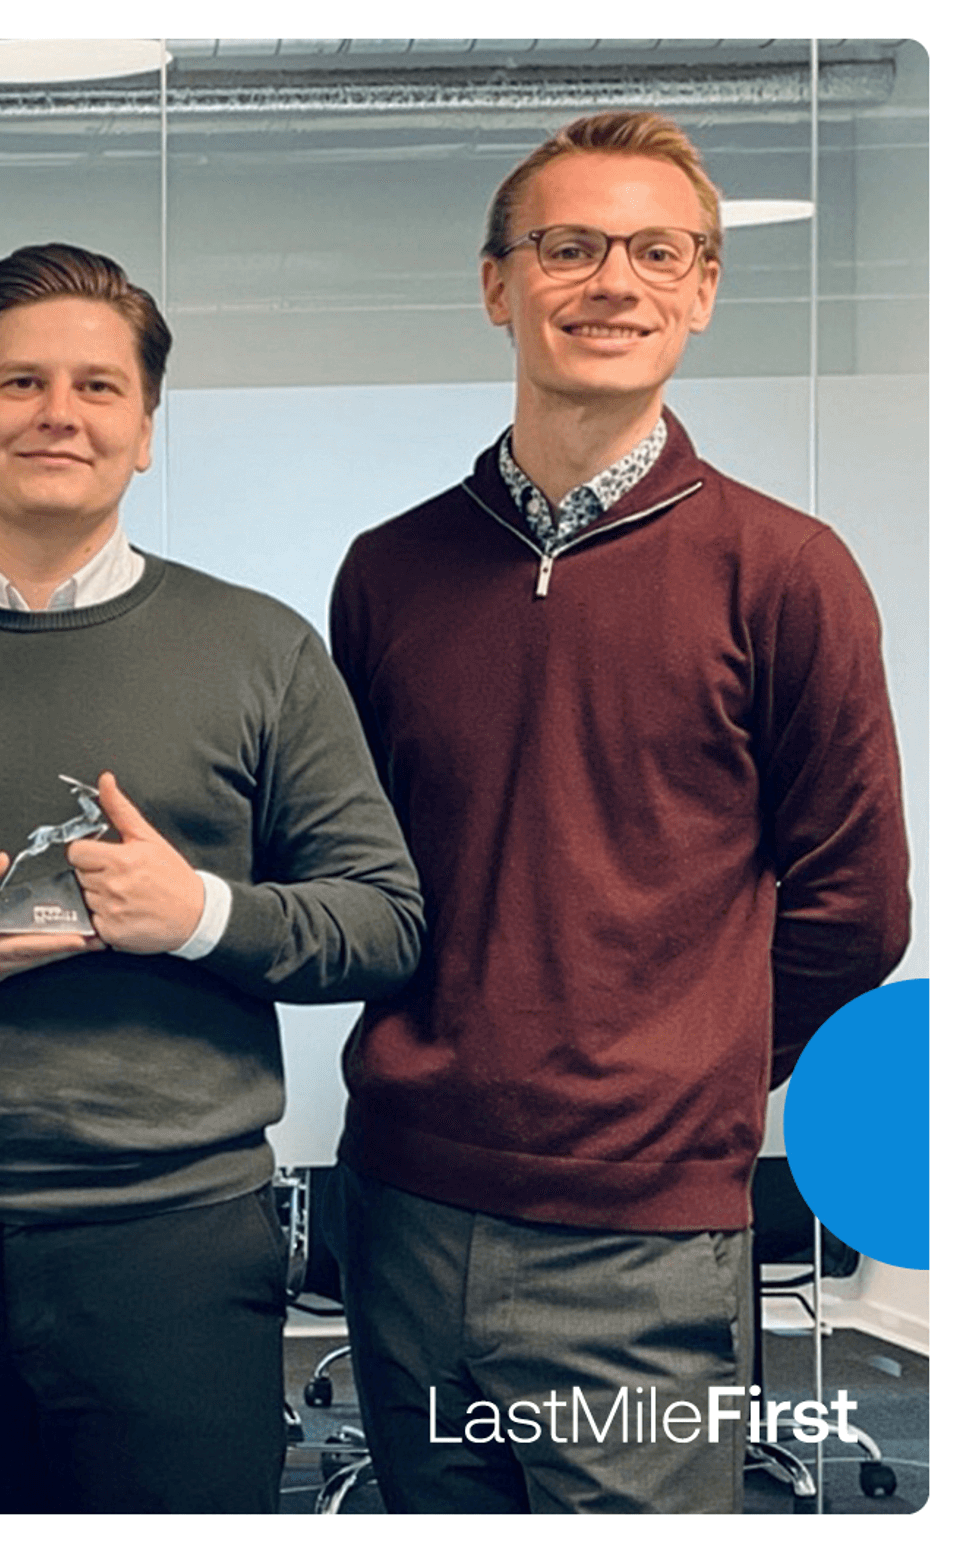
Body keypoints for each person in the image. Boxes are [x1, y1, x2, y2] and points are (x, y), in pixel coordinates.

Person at [324, 109, 911, 1514]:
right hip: (404, 1211)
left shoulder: (785, 571)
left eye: (658, 252)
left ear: (702, 291)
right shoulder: (387, 573)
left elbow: (855, 909)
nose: (613, 283)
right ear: (497, 285)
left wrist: (683, 1076)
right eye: (569, 247)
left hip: (643, 1242)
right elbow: (361, 877)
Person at [0, 243, 422, 1513]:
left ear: (143, 433)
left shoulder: (258, 650)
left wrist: (197, 916)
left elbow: (382, 921)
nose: (57, 414)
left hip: (175, 1247)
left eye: (96, 388)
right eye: (19, 383)